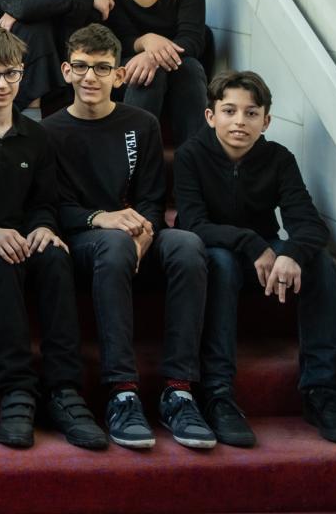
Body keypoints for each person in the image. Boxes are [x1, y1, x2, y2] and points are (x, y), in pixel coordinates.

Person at [0, 23, 105, 450]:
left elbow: (44, 202)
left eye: (11, 73)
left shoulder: (37, 136)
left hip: (24, 240)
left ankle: (65, 390)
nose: (2, 84)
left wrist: (44, 227)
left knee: (55, 256)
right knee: (2, 259)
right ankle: (17, 391)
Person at [44, 23, 215, 451]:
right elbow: (51, 209)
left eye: (102, 68)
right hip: (83, 239)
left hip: (133, 234)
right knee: (116, 243)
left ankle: (179, 390)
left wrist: (147, 230)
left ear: (119, 76)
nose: (90, 77)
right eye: (81, 67)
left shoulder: (142, 123)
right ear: (66, 70)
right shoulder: (47, 133)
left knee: (189, 245)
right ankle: (122, 391)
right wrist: (101, 217)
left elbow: (154, 198)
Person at [174, 70, 336, 447]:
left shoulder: (278, 158)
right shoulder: (191, 155)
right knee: (222, 263)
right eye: (229, 111)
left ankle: (321, 390)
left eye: (251, 113)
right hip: (218, 250)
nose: (240, 121)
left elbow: (309, 224)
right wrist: (250, 242)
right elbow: (193, 223)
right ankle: (218, 392)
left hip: (262, 253)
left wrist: (289, 252)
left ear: (266, 121)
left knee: (322, 264)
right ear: (211, 116)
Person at [98, 0, 208, 144]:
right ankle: (132, 160)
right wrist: (145, 42)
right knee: (148, 74)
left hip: (178, 66)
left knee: (189, 67)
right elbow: (113, 41)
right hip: (126, 70)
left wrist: (153, 57)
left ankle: (191, 160)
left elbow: (193, 40)